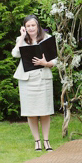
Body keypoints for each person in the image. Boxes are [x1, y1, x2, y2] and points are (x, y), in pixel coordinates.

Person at [12, 14, 56, 152]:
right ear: (24, 28)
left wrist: (45, 63)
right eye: (28, 26)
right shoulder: (21, 40)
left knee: (45, 111)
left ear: (38, 26)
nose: (31, 28)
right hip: (27, 80)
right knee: (31, 112)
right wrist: (21, 38)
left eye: (33, 25)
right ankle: (37, 141)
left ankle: (46, 141)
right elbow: (15, 54)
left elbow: (55, 60)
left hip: (43, 79)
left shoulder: (47, 39)